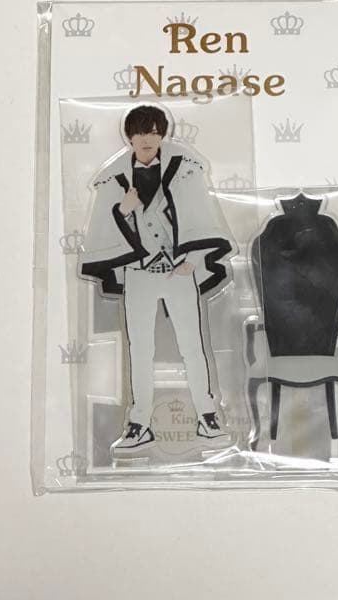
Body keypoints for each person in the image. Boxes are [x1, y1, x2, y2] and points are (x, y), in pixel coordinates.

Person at [78, 104, 236, 455]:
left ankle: (208, 416)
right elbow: (105, 226)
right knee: (140, 350)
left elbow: (201, 217)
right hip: (139, 274)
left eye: (152, 132)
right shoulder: (115, 179)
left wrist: (193, 259)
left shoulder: (185, 170)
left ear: (162, 134)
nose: (146, 139)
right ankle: (139, 424)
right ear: (129, 137)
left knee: (192, 346)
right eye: (139, 133)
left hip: (179, 272)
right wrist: (122, 210)